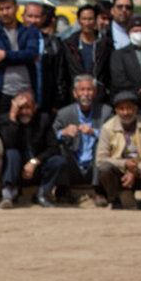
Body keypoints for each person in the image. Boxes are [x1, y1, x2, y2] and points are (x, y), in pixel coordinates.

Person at [53, 75, 113, 205]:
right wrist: (63, 132)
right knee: (62, 146)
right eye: (82, 90)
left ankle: (99, 191)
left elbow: (113, 135)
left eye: (89, 90)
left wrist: (94, 132)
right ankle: (64, 190)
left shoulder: (106, 112)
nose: (86, 94)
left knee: (101, 143)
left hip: (94, 166)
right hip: (74, 165)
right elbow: (51, 135)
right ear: (75, 93)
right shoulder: (64, 114)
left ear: (95, 92)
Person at [0, 90, 64, 208]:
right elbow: (7, 144)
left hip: (37, 167)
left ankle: (42, 194)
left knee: (58, 160)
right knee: (11, 153)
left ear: (35, 107)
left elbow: (53, 147)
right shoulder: (6, 120)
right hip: (16, 169)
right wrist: (12, 117)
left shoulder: (43, 120)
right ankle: (8, 193)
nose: (24, 112)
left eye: (27, 108)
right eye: (20, 108)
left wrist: (34, 162)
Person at [0, 0, 39, 126]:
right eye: (1, 9)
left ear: (16, 8)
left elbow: (32, 53)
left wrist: (6, 55)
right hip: (2, 93)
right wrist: (19, 56)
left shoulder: (29, 31)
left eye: (8, 8)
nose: (5, 13)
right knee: (4, 131)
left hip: (26, 91)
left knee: (26, 132)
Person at [65, 4, 112, 101]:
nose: (87, 23)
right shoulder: (69, 45)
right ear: (79, 20)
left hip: (100, 95)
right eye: (84, 19)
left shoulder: (105, 44)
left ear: (95, 20)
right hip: (76, 96)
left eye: (90, 19)